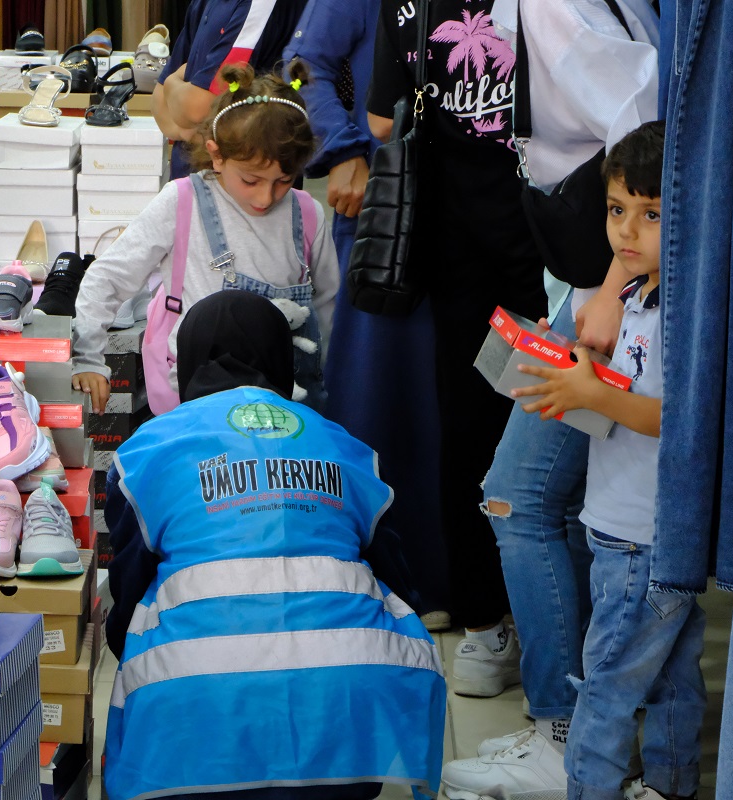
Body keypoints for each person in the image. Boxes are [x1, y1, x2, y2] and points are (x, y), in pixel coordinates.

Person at [101, 290, 447, 800]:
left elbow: (127, 592)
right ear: (284, 358)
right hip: (350, 706)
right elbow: (397, 579)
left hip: (195, 707)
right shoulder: (345, 445)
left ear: (189, 359)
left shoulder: (146, 451)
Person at [441, 0, 661, 795]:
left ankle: (562, 735)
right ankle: (582, 729)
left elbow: (644, 122)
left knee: (516, 497)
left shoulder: (553, 5)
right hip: (588, 272)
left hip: (606, 279)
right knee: (553, 503)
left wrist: (610, 288)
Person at [506, 121, 705, 800]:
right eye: (618, 210)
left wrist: (591, 389)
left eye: (651, 213)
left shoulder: (685, 311)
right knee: (674, 674)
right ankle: (671, 785)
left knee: (606, 685)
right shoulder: (633, 295)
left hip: (640, 535)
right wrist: (568, 365)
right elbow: (622, 389)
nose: (627, 231)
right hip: (638, 525)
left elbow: (675, 419)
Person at [366, 0, 548, 683]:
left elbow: (384, 118)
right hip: (559, 244)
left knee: (469, 433)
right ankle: (561, 631)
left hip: (460, 253)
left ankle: (485, 628)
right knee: (576, 433)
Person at [283, 0, 450, 624]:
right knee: (378, 403)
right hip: (385, 216)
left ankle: (457, 583)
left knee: (454, 406)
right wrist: (341, 148)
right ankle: (386, 577)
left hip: (475, 215)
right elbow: (300, 68)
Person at [72, 63, 339, 415]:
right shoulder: (182, 201)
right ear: (216, 155)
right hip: (189, 400)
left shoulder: (307, 215)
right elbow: (109, 276)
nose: (264, 198)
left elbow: (326, 313)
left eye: (283, 181)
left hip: (283, 404)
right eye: (251, 180)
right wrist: (88, 358)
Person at [154, 0, 309, 179]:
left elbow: (197, 108)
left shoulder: (258, 5)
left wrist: (173, 83)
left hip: (246, 188)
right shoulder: (204, 3)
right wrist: (185, 131)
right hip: (191, 181)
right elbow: (158, 103)